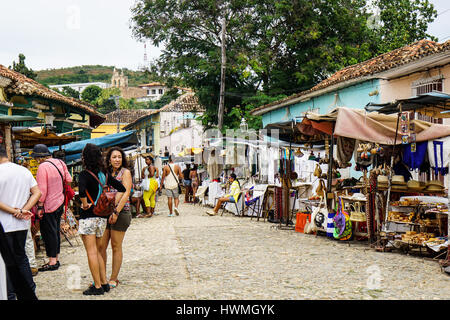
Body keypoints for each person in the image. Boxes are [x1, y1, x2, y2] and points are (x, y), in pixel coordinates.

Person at [78, 143, 125, 296]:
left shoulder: (84, 174)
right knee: (99, 251)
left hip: (88, 217)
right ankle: (104, 283)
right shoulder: (104, 174)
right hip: (102, 218)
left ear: (85, 157)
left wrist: (85, 204)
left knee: (91, 252)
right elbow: (122, 188)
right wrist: (110, 201)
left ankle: (97, 286)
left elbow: (81, 191)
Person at [0, 145, 41, 299]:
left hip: (4, 224)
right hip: (22, 223)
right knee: (21, 257)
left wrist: (15, 211)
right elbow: (37, 192)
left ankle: (10, 295)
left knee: (7, 262)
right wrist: (24, 209)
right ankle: (30, 291)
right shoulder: (23, 170)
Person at [32, 144, 72, 272]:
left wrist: (39, 206)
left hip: (48, 205)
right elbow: (69, 179)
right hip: (59, 202)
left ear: (40, 157)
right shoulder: (60, 162)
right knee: (55, 231)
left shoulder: (43, 167)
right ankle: (56, 258)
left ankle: (52, 261)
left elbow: (42, 190)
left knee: (48, 232)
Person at [98, 147, 132, 290]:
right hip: (105, 212)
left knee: (116, 246)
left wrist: (116, 212)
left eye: (119, 157)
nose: (117, 159)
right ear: (109, 159)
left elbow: (125, 194)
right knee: (101, 247)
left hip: (121, 212)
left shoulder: (126, 173)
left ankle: (113, 278)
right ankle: (101, 278)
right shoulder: (105, 173)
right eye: (114, 157)